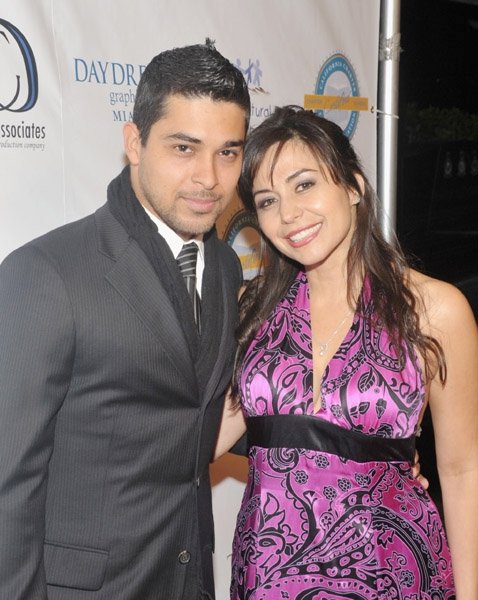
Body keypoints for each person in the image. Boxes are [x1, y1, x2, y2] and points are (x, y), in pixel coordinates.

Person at [0, 40, 250, 600]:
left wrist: (360, 452)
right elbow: (6, 487)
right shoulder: (47, 274)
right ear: (134, 142)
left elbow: (196, 425)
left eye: (228, 152)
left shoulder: (228, 268)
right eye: (184, 147)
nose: (208, 178)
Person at [216, 106, 478, 599]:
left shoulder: (434, 310)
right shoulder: (254, 311)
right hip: (269, 578)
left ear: (353, 185)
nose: (288, 214)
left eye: (304, 184)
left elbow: (464, 471)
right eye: (268, 200)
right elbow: (201, 436)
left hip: (391, 576)